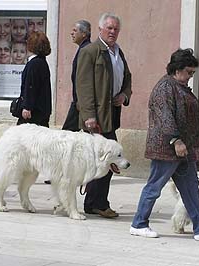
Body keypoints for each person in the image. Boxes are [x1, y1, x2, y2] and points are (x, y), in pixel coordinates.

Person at [130, 48, 199, 241]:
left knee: (191, 188)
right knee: (154, 186)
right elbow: (166, 117)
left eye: (193, 73)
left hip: (185, 149)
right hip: (167, 148)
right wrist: (176, 140)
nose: (191, 76)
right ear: (177, 69)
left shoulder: (180, 87)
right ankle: (138, 224)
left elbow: (189, 118)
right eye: (189, 72)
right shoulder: (165, 88)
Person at [76, 12, 132, 218]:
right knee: (107, 161)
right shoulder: (91, 51)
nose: (113, 32)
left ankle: (93, 203)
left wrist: (125, 95)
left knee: (102, 162)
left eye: (116, 29)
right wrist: (89, 114)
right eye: (109, 28)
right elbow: (83, 86)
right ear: (100, 29)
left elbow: (127, 77)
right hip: (95, 119)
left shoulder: (118, 52)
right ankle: (98, 203)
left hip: (110, 116)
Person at [17, 31, 51, 127]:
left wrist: (27, 107)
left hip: (35, 112)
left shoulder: (35, 64)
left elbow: (30, 86)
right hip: (41, 109)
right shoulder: (42, 62)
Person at [62, 20, 91, 131]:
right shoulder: (83, 48)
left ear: (84, 33)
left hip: (81, 103)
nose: (71, 33)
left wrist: (80, 100)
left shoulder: (86, 50)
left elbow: (84, 79)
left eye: (75, 30)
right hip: (79, 101)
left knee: (67, 134)